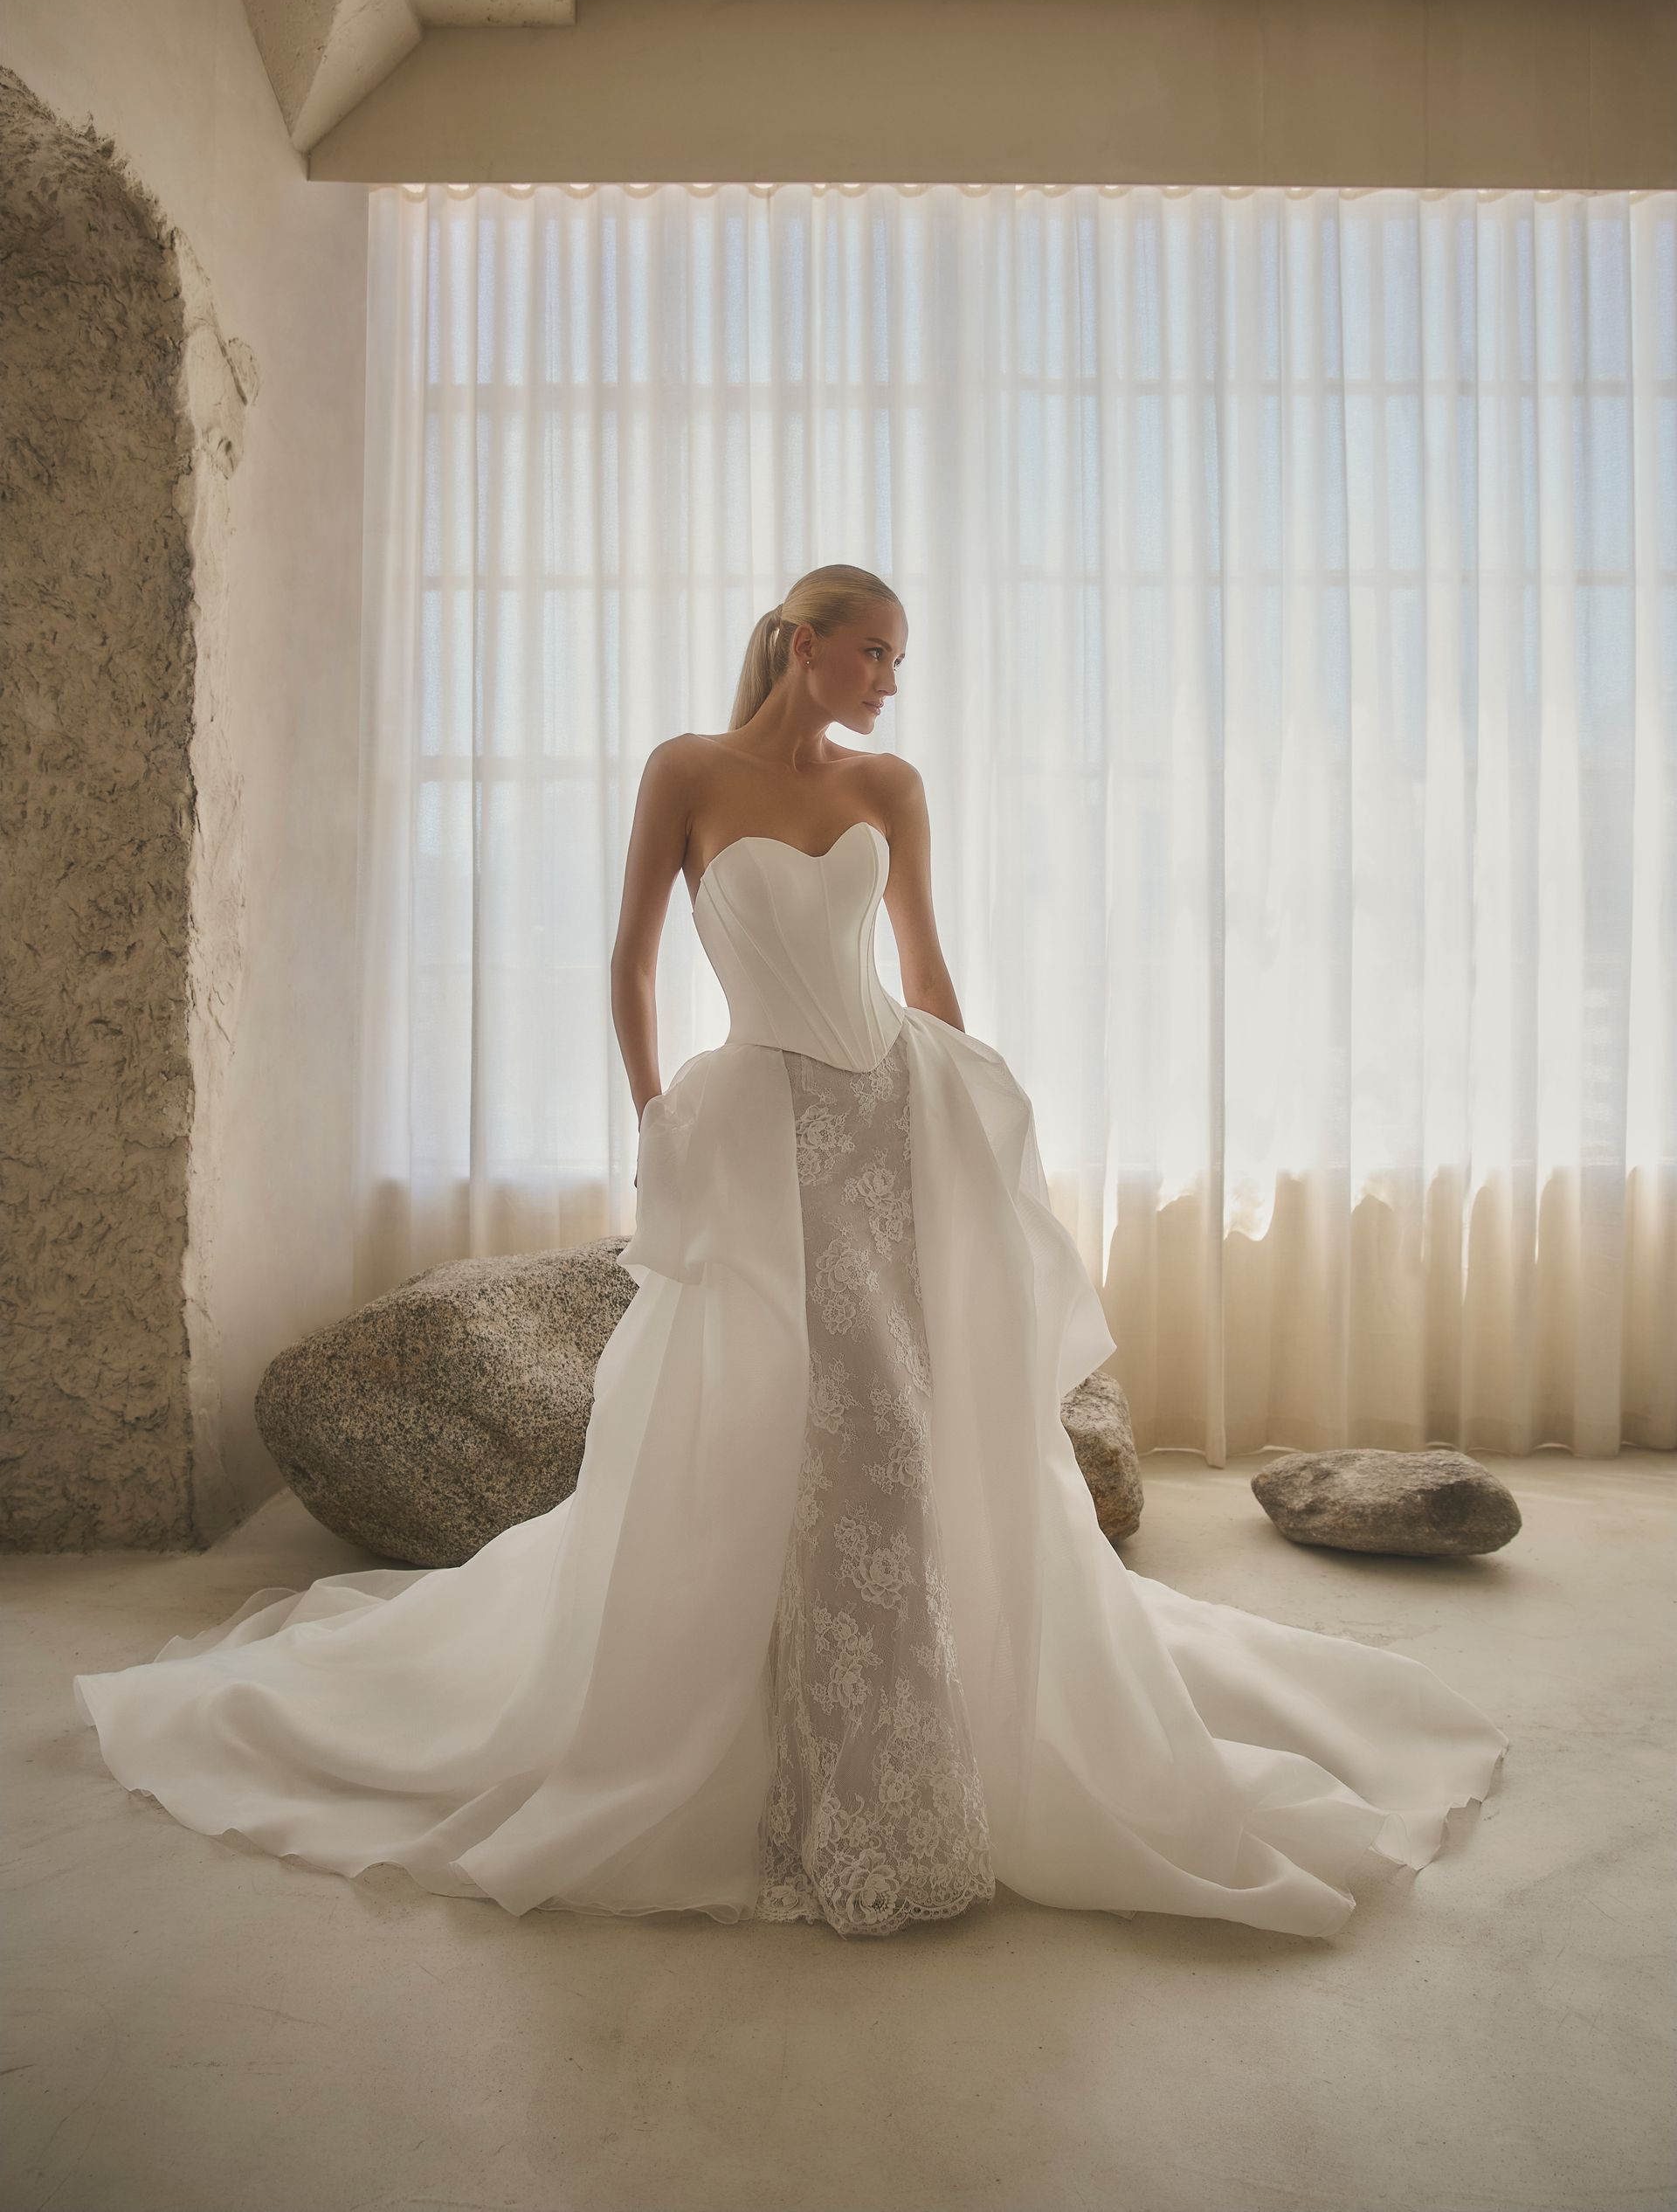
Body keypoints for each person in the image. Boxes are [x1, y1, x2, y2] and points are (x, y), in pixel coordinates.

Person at [73, 562, 1508, 1940]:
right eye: (872, 650)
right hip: (756, 1136)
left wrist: (988, 1122)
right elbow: (632, 959)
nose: (889, 681)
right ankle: (797, 1764)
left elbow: (926, 970)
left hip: (898, 1123)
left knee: (899, 1419)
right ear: (799, 640)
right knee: (776, 1420)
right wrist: (654, 1124)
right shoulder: (687, 771)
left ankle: (911, 1772)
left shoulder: (891, 788)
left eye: (899, 658)